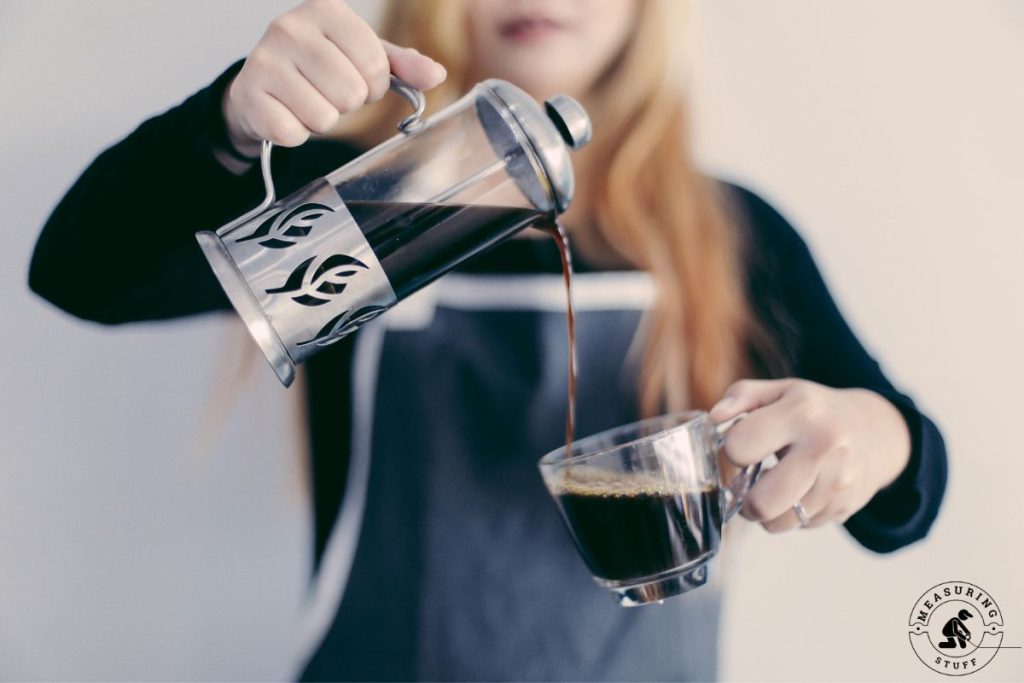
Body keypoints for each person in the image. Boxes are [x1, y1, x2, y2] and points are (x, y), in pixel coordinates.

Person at [29, 0, 947, 679]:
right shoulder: (369, 199)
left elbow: (903, 492)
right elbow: (83, 276)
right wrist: (229, 127)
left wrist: (870, 434)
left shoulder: (726, 232)